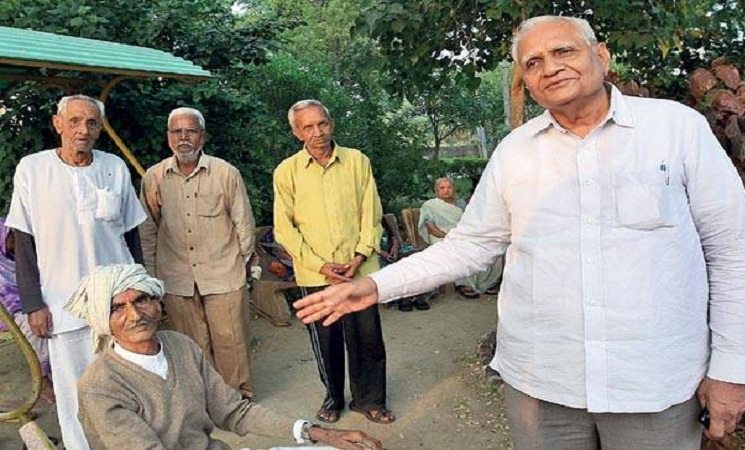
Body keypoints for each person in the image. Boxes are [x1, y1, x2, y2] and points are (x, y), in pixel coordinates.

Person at [293, 16, 745, 450]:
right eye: (533, 62)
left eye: (564, 52)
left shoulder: (675, 130)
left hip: (652, 387)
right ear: (525, 79)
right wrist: (376, 285)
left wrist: (731, 369)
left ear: (600, 56)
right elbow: (471, 244)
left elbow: (735, 252)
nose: (551, 68)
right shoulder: (515, 152)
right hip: (542, 388)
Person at [66, 264, 382, 450]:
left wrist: (320, 434)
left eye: (142, 300)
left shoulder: (178, 345)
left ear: (159, 303)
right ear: (101, 320)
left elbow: (234, 411)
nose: (135, 315)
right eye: (117, 308)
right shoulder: (100, 385)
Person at [6, 94, 147, 449]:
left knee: (127, 381)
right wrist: (33, 303)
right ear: (57, 124)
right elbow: (23, 242)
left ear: (100, 128)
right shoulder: (32, 169)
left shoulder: (114, 166)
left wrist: (143, 294)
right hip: (62, 303)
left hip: (118, 302)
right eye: (74, 121)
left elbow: (131, 235)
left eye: (91, 123)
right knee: (73, 391)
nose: (82, 130)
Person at [273, 99, 394, 424]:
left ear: (332, 123)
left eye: (322, 124)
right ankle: (333, 398)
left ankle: (370, 400)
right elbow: (285, 228)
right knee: (326, 342)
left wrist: (359, 255)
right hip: (315, 275)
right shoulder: (287, 172)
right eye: (308, 127)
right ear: (297, 132)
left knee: (367, 337)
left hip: (360, 270)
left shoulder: (357, 161)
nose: (317, 132)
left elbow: (372, 212)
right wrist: (321, 266)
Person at [140, 107, 257, 399]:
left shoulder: (226, 173)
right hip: (176, 275)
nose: (183, 138)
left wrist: (242, 265)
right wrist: (154, 277)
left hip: (224, 272)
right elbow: (149, 230)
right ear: (168, 137)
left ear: (202, 136)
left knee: (231, 339)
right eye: (176, 131)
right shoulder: (154, 177)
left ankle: (236, 397)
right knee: (190, 342)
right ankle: (204, 397)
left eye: (190, 131)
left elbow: (244, 222)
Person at [418, 177, 502, 299]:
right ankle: (464, 284)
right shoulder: (430, 205)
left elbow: (470, 221)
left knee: (490, 247)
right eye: (442, 188)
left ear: (453, 189)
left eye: (449, 187)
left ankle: (488, 283)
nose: (446, 190)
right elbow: (431, 229)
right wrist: (450, 237)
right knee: (461, 250)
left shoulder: (460, 203)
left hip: (462, 234)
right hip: (441, 236)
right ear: (437, 190)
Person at [0, 218, 54, 404]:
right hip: (8, 303)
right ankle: (43, 379)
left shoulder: (14, 227)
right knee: (33, 325)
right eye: (13, 241)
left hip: (33, 289)